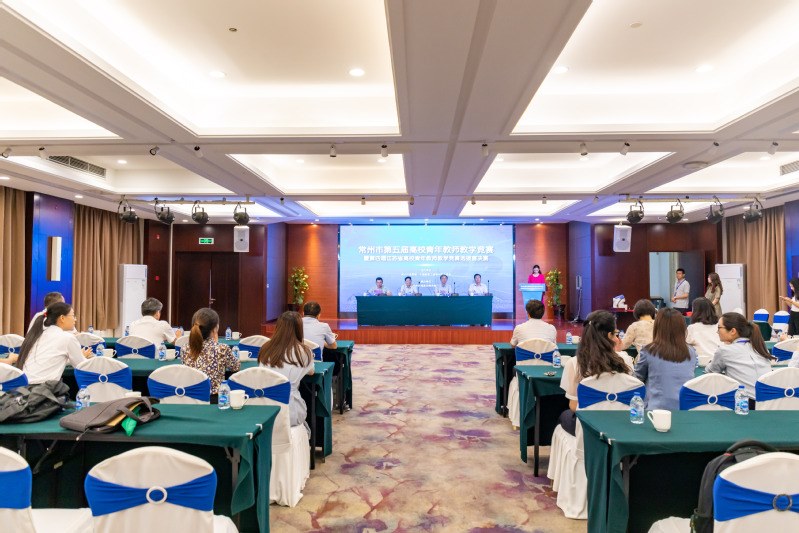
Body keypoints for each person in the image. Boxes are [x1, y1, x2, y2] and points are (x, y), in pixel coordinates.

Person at [558, 310, 632, 435]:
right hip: (619, 423)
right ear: (609, 335)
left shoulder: (574, 363)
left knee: (565, 415)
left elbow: (574, 406)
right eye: (615, 334)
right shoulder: (626, 360)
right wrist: (619, 352)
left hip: (587, 427)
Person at [259, 311, 315, 428]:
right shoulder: (304, 351)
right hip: (289, 409)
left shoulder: (265, 348)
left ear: (278, 327)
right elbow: (311, 372)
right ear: (299, 329)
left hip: (263, 408)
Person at [634, 308, 697, 410]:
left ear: (657, 327)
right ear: (682, 327)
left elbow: (637, 379)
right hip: (685, 409)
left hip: (655, 410)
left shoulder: (649, 350)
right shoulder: (692, 352)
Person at [15, 302, 93, 384]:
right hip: (43, 388)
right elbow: (81, 367)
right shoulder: (67, 338)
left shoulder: (39, 335)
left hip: (23, 387)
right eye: (73, 315)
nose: (75, 319)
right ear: (62, 318)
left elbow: (48, 359)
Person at [706, 312, 774, 403]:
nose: (717, 332)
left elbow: (710, 373)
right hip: (771, 402)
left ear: (733, 331)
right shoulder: (760, 347)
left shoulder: (724, 350)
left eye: (719, 328)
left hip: (745, 404)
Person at [181, 307, 239, 401]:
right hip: (216, 400)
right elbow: (235, 367)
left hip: (192, 398)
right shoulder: (222, 348)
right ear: (215, 328)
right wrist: (216, 343)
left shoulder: (185, 348)